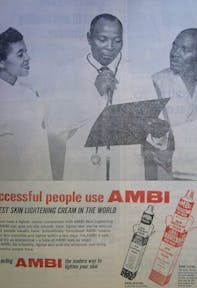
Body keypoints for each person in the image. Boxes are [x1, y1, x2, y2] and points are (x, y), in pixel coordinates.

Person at [51, 14, 168, 180]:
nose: (110, 47)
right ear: (89, 38)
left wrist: (159, 134)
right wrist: (94, 95)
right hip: (83, 168)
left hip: (126, 169)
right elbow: (56, 126)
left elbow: (155, 129)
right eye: (103, 39)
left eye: (117, 40)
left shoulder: (137, 74)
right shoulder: (68, 74)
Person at [0, 27, 52, 179]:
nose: (27, 57)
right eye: (20, 54)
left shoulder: (30, 92)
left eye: (26, 51)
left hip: (36, 179)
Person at [151, 28, 197, 180]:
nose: (174, 53)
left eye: (184, 49)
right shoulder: (156, 82)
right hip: (166, 173)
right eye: (174, 46)